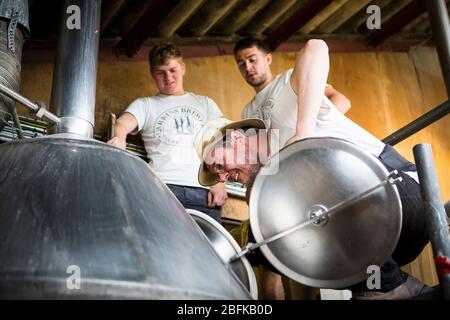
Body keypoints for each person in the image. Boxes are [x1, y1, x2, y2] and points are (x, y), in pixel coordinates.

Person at [193, 39, 431, 300]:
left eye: (220, 165)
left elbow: (316, 47)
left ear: (236, 138)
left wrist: (304, 132)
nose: (224, 177)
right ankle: (390, 287)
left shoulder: (285, 96)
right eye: (219, 175)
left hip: (403, 196)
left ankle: (388, 288)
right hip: (382, 243)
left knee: (309, 196)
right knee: (268, 237)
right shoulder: (273, 174)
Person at [236, 37, 352, 299]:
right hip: (275, 190)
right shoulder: (247, 109)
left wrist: (314, 132)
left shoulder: (290, 78)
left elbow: (340, 99)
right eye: (241, 64)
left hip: (305, 179)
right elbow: (258, 155)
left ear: (267, 58)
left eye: (252, 59)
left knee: (303, 259)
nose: (248, 67)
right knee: (271, 266)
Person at [107, 43, 227, 222]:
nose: (168, 77)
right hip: (160, 188)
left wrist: (220, 182)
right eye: (160, 72)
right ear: (152, 74)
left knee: (207, 249)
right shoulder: (145, 105)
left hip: (202, 192)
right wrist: (119, 138)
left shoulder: (205, 103)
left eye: (172, 70)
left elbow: (223, 142)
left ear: (183, 68)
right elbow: (122, 124)